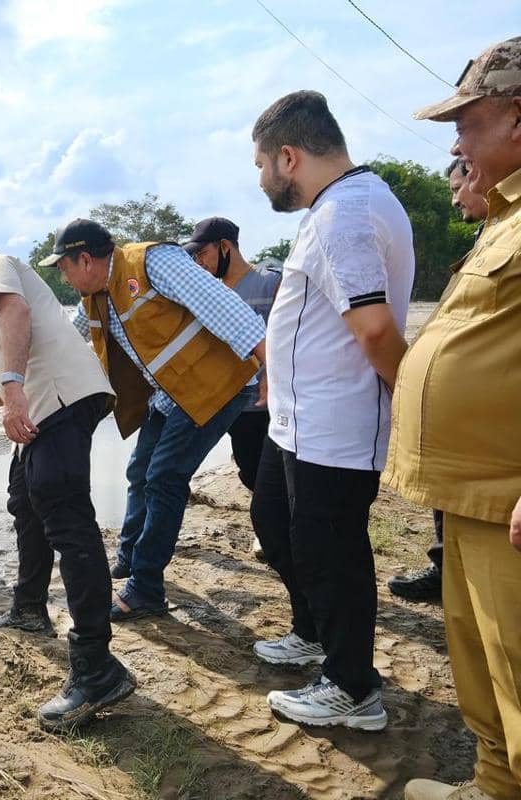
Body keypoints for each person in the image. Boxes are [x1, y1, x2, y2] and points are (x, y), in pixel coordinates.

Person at [248, 90, 414, 732]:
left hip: (335, 425)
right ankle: (314, 632)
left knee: (332, 552)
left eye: (261, 165)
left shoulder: (344, 212)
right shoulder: (338, 206)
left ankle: (352, 687)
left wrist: (413, 409)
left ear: (288, 157)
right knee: (275, 520)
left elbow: (374, 329)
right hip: (297, 420)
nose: (261, 180)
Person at [0, 239, 137, 732]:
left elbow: (16, 312)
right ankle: (29, 608)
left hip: (57, 399)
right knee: (25, 499)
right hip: (49, 404)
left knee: (67, 519)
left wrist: (14, 392)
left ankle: (96, 668)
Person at [390, 36, 521, 800]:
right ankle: (494, 784)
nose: (455, 143)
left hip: (509, 498)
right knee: (484, 664)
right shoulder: (504, 214)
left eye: (468, 121)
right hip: (474, 494)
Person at [42, 218, 267, 621]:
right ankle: (131, 557)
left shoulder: (152, 262)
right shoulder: (95, 297)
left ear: (86, 260)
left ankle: (145, 588)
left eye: (64, 267)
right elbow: (66, 342)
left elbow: (226, 308)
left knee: (164, 477)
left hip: (216, 385)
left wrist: (271, 370)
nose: (64, 277)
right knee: (140, 469)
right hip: (171, 394)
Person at [387, 159, 489, 604]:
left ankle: (457, 574)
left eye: (457, 187)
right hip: (465, 409)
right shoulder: (487, 235)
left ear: (480, 176)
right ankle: (447, 569)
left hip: (489, 407)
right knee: (450, 499)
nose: (454, 198)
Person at [182, 217, 281, 493]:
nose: (200, 262)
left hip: (269, 404)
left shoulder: (271, 282)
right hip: (234, 406)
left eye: (204, 253)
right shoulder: (210, 293)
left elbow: (288, 337)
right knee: (250, 473)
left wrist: (271, 374)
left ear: (225, 246)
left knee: (275, 481)